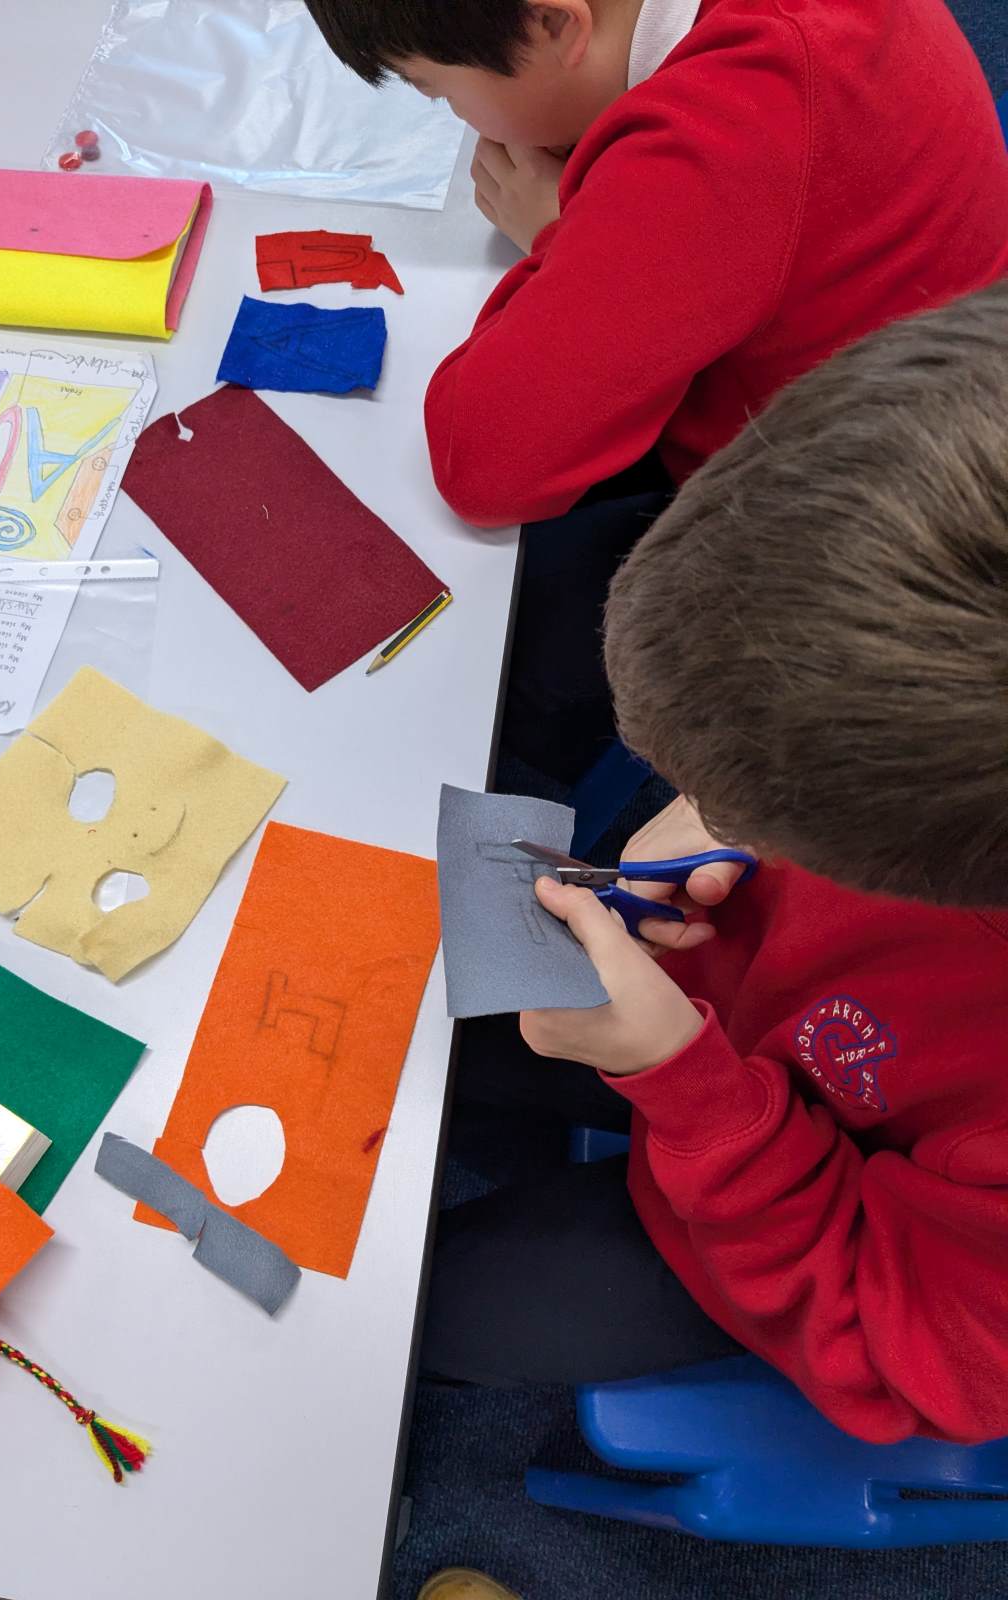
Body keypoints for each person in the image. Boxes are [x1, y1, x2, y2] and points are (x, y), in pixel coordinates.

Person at [420, 281, 1008, 1443]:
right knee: (396, 996)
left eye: (764, 806)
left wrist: (689, 1091)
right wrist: (725, 816)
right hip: (716, 1017)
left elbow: (895, 1358)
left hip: (791, 1219)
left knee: (419, 1313)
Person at [305, 0, 1008, 783]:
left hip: (855, 559)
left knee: (482, 684)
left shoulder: (723, 130)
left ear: (555, 25)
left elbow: (486, 460)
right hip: (940, 401)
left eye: (434, 90)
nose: (456, 122)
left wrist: (563, 233)